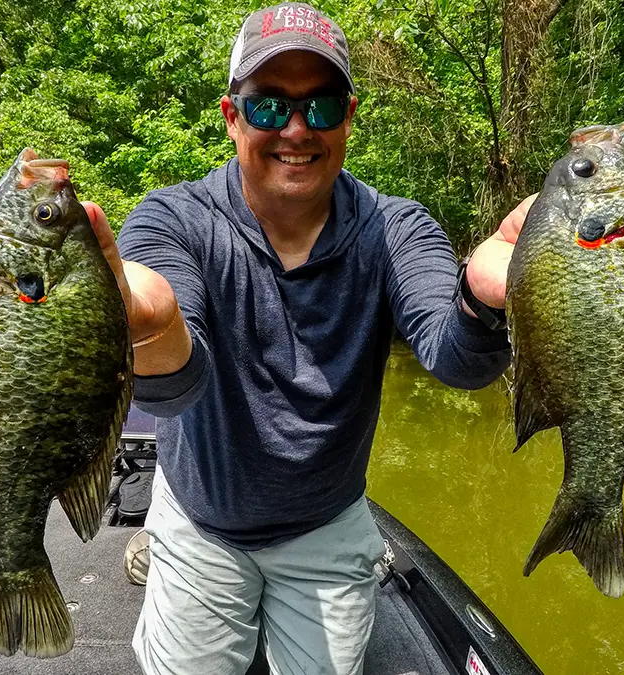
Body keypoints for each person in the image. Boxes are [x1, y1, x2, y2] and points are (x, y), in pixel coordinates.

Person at [82, 3, 535, 673]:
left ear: (349, 117)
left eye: (320, 107)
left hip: (326, 523)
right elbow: (177, 383)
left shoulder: (396, 228)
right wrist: (152, 326)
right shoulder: (173, 219)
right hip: (204, 519)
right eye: (269, 107)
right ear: (231, 116)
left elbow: (454, 355)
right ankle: (163, 548)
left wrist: (481, 294)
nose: (296, 129)